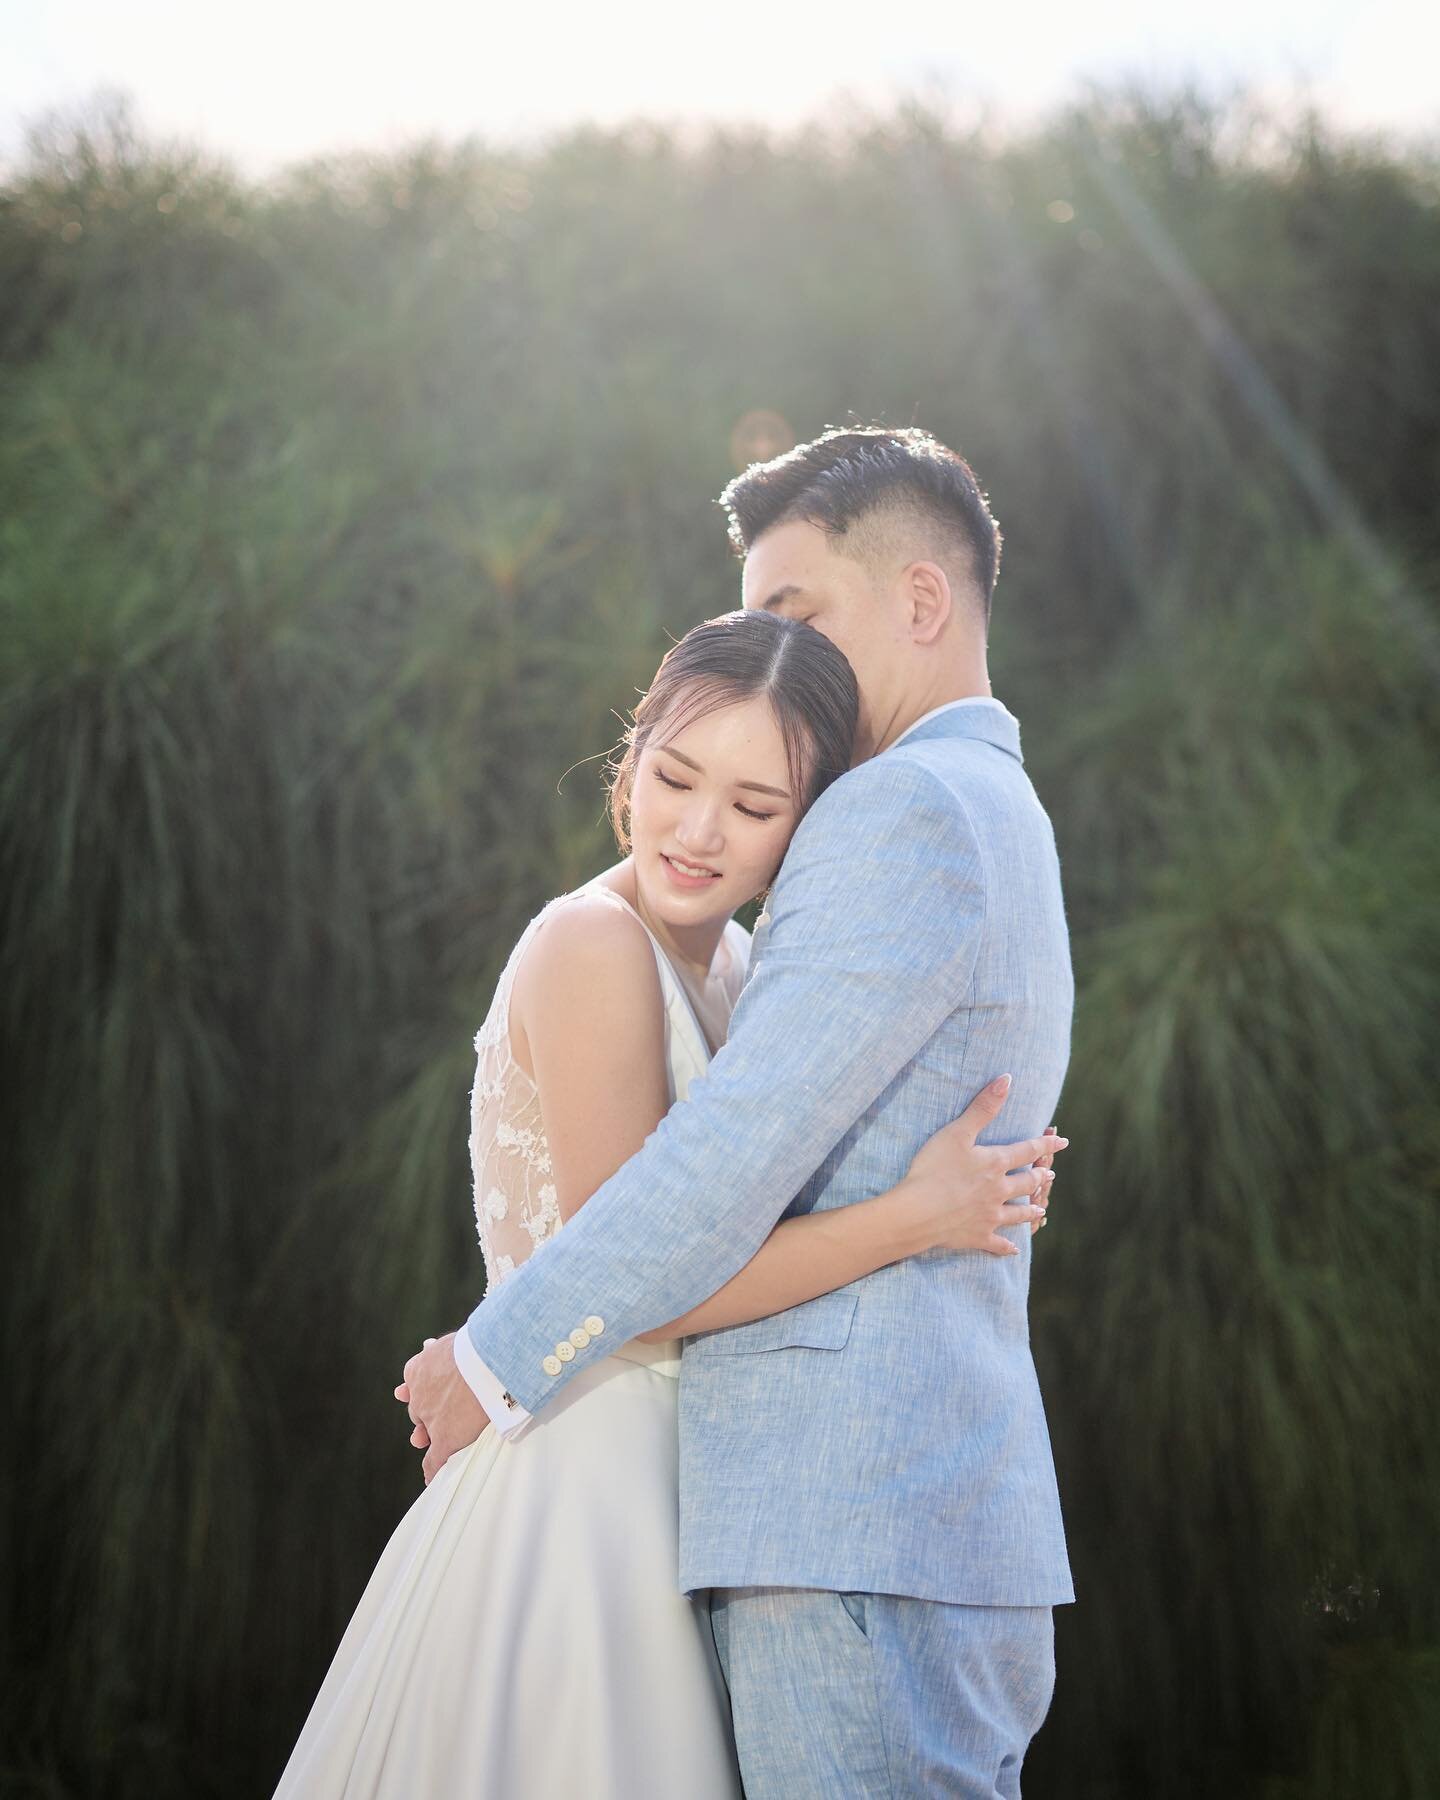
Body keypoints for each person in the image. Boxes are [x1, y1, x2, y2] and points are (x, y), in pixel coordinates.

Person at [275, 605, 1061, 1798]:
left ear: (808, 826)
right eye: (673, 775)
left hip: (680, 1486)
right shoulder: (592, 943)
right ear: (628, 758)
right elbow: (639, 1294)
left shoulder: (740, 966)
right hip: (582, 1484)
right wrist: (916, 1217)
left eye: (755, 809)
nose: (696, 833)